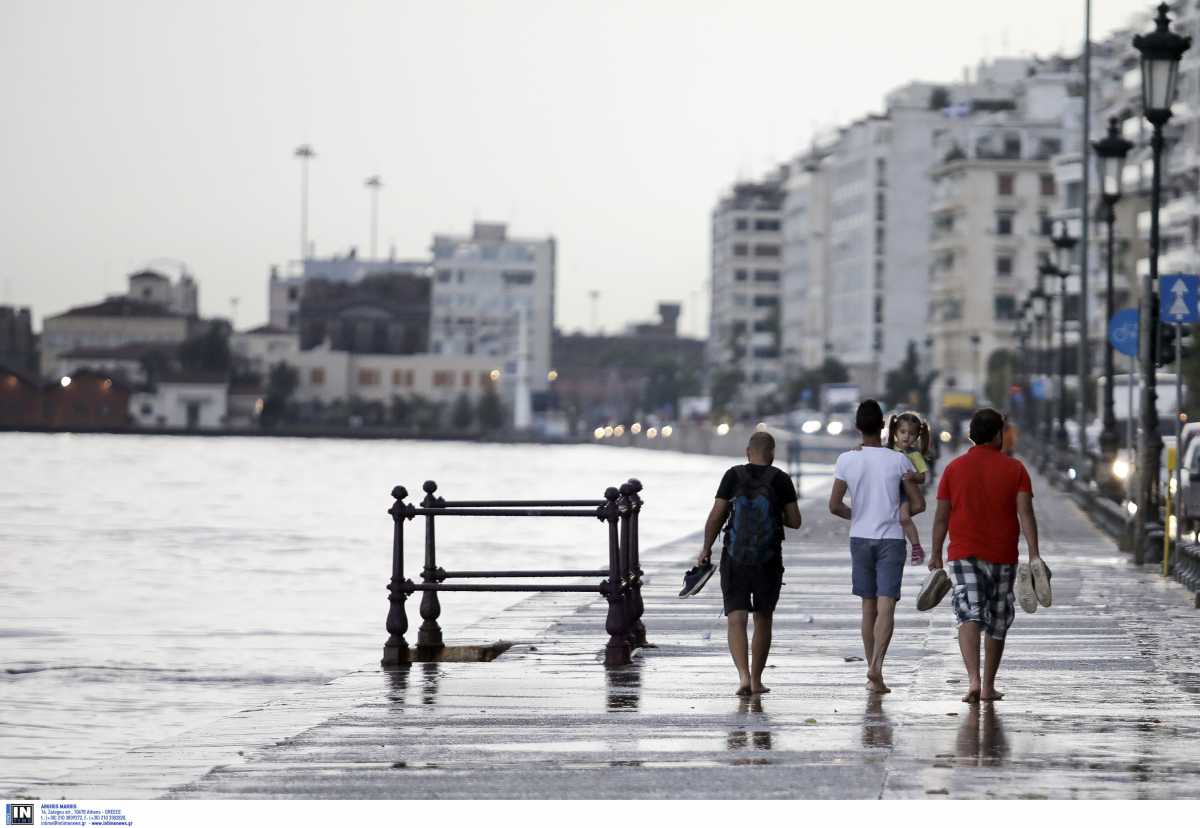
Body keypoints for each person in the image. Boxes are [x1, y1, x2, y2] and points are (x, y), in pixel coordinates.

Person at [928, 408, 1043, 704]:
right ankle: (989, 685)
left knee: (968, 612)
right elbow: (1026, 513)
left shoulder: (953, 469)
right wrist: (1034, 554)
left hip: (963, 553)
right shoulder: (1015, 469)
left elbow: (941, 516)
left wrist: (936, 553)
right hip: (1003, 554)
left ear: (971, 435)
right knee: (998, 616)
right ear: (997, 435)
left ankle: (973, 680)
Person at [829, 400, 925, 694]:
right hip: (892, 540)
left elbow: (834, 506)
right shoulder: (899, 461)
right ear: (884, 426)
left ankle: (872, 666)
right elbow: (918, 504)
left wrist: (856, 515)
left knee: (867, 607)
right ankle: (876, 668)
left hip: (860, 538)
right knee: (887, 607)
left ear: (857, 426)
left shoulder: (846, 459)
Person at [697, 431, 802, 696]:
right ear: (772, 454)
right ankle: (756, 680)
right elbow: (795, 521)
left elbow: (716, 516)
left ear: (747, 452)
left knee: (736, 618)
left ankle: (742, 676)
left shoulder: (733, 476)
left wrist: (706, 549)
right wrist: (775, 512)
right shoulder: (781, 479)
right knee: (763, 618)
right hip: (768, 559)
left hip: (735, 557)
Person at [886, 412, 932, 565]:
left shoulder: (914, 454)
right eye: (903, 432)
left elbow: (923, 477)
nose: (906, 437)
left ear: (917, 436)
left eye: (911, 434)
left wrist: (913, 476)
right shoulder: (887, 449)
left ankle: (916, 547)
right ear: (895, 432)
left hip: (903, 493)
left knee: (904, 518)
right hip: (886, 492)